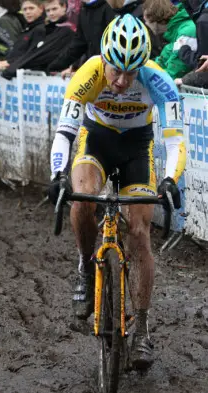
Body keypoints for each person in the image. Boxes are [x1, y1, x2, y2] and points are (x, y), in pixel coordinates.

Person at [47, 14, 186, 370]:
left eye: (131, 72)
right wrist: (57, 175)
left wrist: (170, 180)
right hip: (96, 140)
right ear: (104, 59)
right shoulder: (89, 73)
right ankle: (84, 266)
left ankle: (141, 327)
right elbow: (65, 131)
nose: (123, 81)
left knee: (139, 233)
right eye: (116, 71)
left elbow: (174, 139)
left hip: (137, 148)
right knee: (81, 199)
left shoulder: (158, 79)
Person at [0, 0, 75, 78]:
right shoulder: (44, 29)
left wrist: (11, 65)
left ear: (64, 7)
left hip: (49, 76)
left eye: (54, 9)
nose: (51, 13)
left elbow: (39, 54)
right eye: (48, 11)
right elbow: (29, 53)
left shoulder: (66, 30)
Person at [47, 0, 115, 76]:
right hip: (93, 69)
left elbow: (112, 44)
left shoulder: (109, 7)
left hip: (109, 71)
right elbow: (79, 44)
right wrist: (53, 67)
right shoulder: (84, 9)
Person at [0, 0, 46, 74]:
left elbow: (32, 56)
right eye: (25, 9)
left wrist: (8, 62)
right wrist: (2, 62)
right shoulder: (28, 29)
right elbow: (18, 53)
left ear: (41, 9)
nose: (28, 12)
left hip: (31, 77)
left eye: (31, 8)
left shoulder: (41, 29)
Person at [143, 0, 196, 79]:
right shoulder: (175, 31)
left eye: (146, 20)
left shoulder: (186, 31)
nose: (146, 24)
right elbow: (163, 59)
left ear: (154, 19)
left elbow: (176, 70)